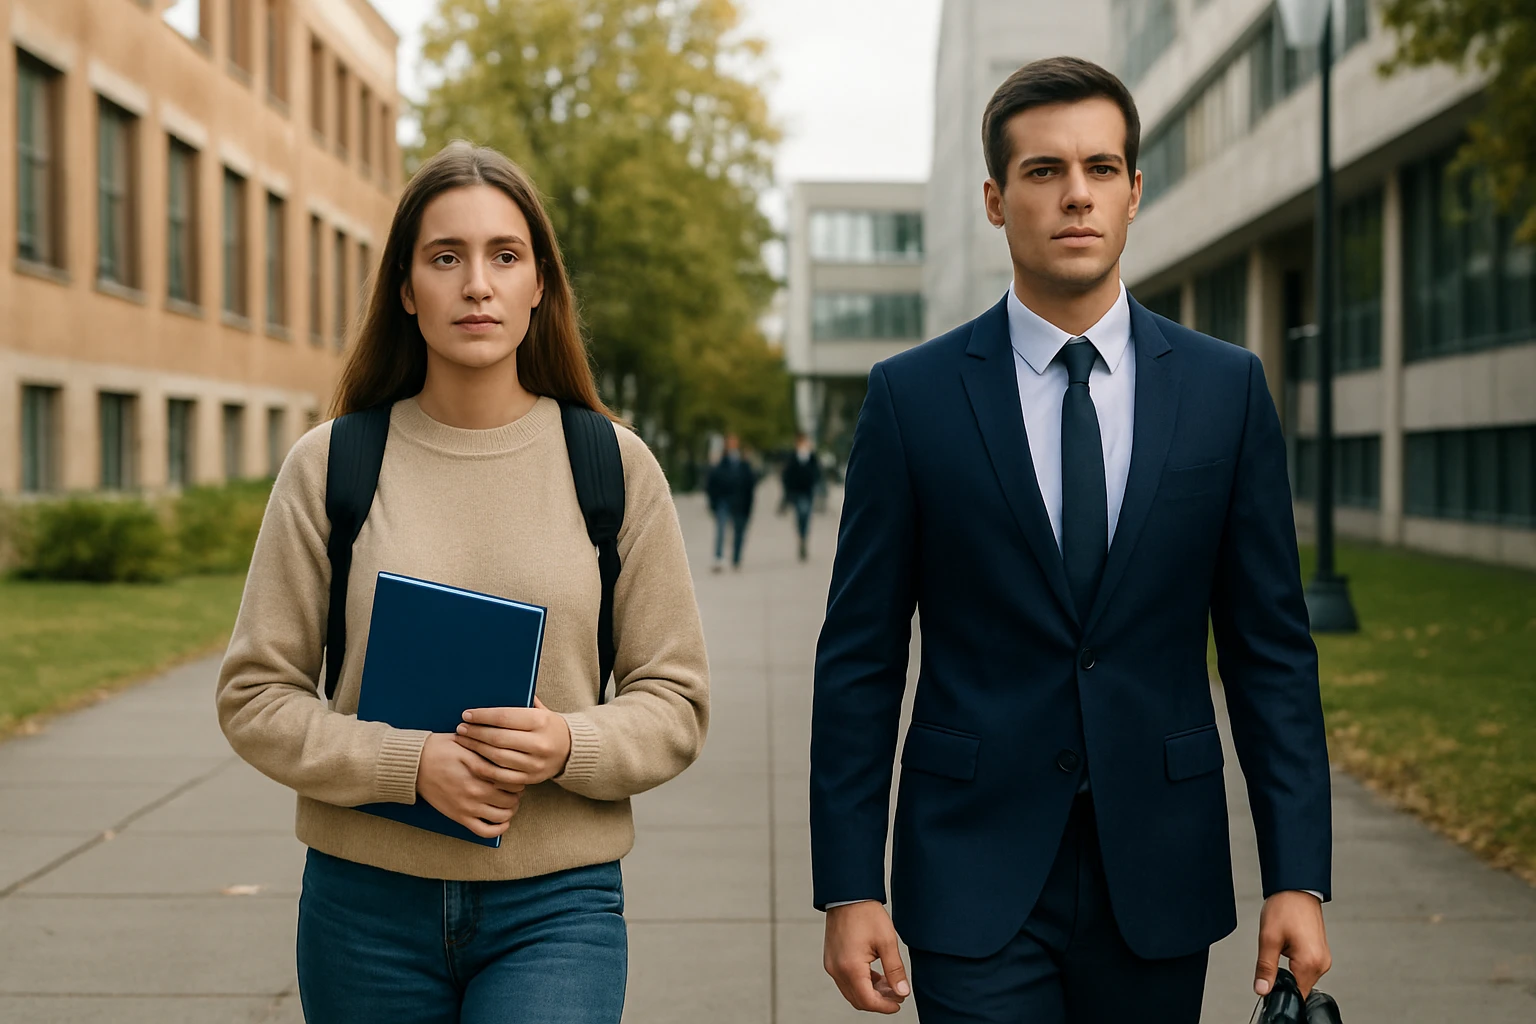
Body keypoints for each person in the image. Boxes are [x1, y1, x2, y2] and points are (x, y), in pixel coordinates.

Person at [810, 57, 1332, 1023]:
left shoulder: (1226, 391)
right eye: (1044, 171)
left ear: (1135, 192)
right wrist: (850, 884)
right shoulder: (911, 398)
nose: (1076, 194)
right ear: (996, 200)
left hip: (1160, 869)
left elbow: (1270, 655)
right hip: (971, 866)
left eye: (1100, 168)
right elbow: (859, 660)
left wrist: (1297, 875)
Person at [216, 141, 709, 1023]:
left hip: (556, 908)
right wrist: (407, 764)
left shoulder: (614, 466)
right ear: (406, 290)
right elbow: (256, 696)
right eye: (446, 258)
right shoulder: (332, 465)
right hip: (362, 908)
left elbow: (675, 701)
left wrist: (567, 744)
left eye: (504, 256)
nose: (476, 284)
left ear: (539, 286)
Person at [706, 434, 757, 572]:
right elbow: (712, 483)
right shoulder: (720, 464)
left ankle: (736, 557)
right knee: (721, 529)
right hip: (724, 501)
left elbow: (749, 486)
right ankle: (718, 557)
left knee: (739, 531)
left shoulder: (743, 465)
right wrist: (713, 503)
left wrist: (749, 505)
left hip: (740, 502)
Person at [781, 433, 822, 562]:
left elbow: (817, 473)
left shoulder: (811, 457)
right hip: (797, 492)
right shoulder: (793, 457)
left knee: (806, 516)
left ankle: (803, 538)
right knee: (801, 514)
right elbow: (787, 475)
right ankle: (801, 537)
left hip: (808, 492)